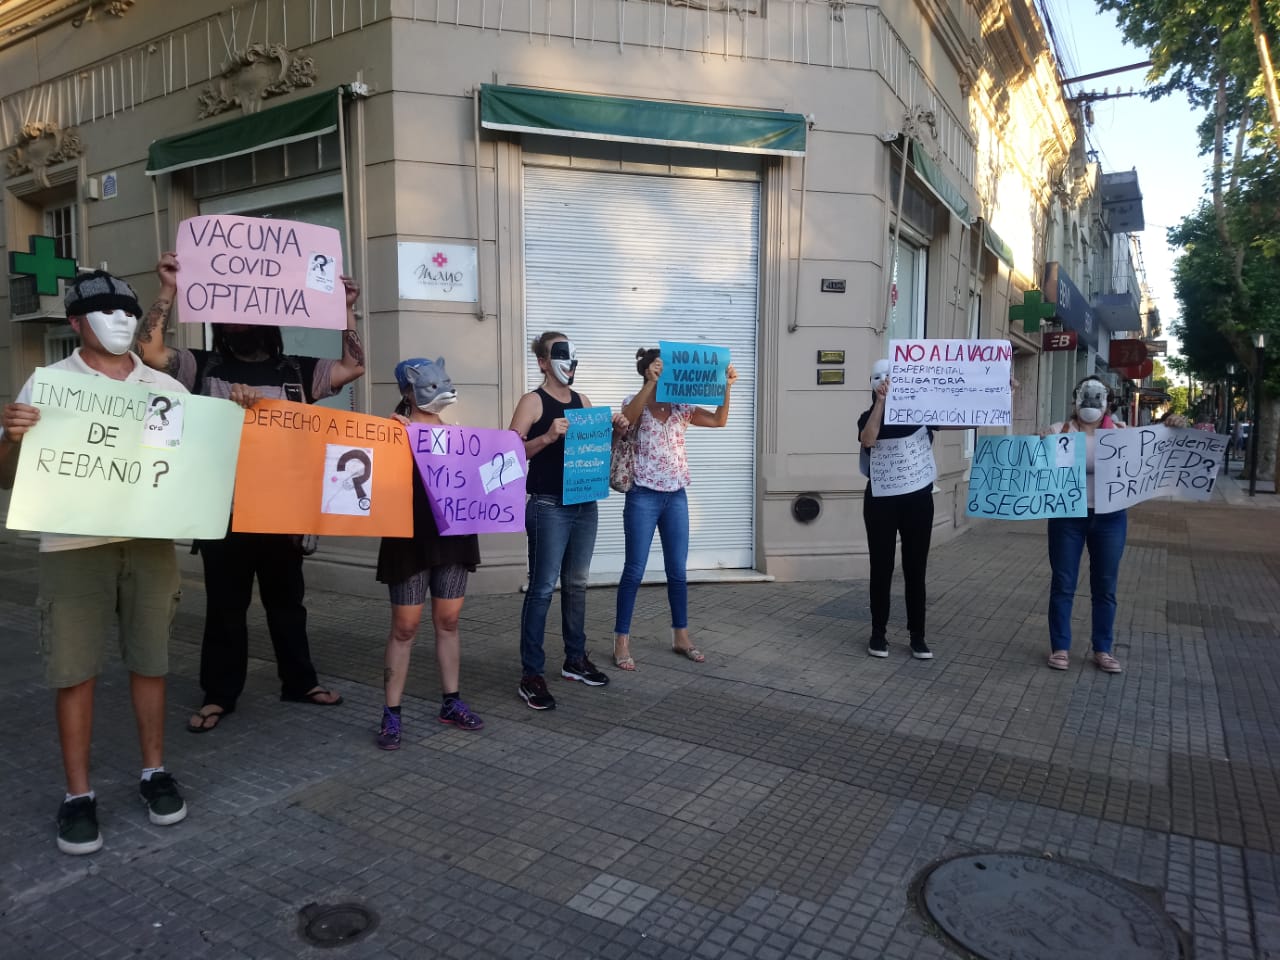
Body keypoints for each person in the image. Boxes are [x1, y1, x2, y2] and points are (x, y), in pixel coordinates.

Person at [0, 271, 195, 854]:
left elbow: (188, 468)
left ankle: (154, 771)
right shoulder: (47, 384)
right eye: (105, 311)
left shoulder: (166, 388)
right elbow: (9, 480)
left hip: (148, 542)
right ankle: (78, 795)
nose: (120, 321)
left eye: (128, 311)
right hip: (71, 546)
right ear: (76, 323)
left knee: (150, 660)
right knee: (74, 669)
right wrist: (10, 438)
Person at [136, 252, 365, 732]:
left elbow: (354, 367)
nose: (237, 318)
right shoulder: (200, 367)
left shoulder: (298, 371)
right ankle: (219, 695)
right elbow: (149, 352)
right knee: (225, 608)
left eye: (248, 310)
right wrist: (168, 289)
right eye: (228, 310)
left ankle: (299, 682)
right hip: (226, 513)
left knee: (288, 605)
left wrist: (346, 308)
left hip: (284, 516)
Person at [1041, 376, 1186, 673]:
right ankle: (1060, 648)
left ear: (1107, 401)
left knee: (1105, 586)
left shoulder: (1124, 432)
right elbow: (1035, 464)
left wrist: (1171, 426)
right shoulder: (1058, 431)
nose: (1091, 402)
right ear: (1076, 399)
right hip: (1067, 516)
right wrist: (1039, 441)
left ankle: (1103, 649)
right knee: (1063, 583)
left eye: (1098, 396)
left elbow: (1156, 448)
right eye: (1086, 395)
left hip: (1110, 518)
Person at [374, 358, 483, 749]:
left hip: (453, 537)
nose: (442, 387)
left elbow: (481, 480)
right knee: (404, 627)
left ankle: (451, 702)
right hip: (409, 538)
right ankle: (391, 712)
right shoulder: (391, 432)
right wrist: (393, 441)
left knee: (449, 621)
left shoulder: (458, 436)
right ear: (409, 390)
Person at [610, 349, 738, 670]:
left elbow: (719, 420)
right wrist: (649, 384)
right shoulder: (633, 401)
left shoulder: (681, 407)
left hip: (676, 495)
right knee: (634, 570)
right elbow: (630, 420)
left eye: (665, 369)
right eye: (657, 368)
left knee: (677, 572)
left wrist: (727, 386)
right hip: (642, 495)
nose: (663, 372)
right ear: (647, 370)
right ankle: (621, 641)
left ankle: (681, 636)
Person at [509, 332, 609, 710]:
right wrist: (548, 437)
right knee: (541, 588)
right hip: (548, 505)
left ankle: (575, 659)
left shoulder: (583, 401)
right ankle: (531, 673)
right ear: (543, 362)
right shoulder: (532, 402)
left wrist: (612, 429)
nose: (570, 361)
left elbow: (593, 449)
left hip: (584, 503)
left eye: (573, 354)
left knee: (578, 584)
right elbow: (510, 452)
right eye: (560, 354)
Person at [857, 360, 937, 661]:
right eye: (878, 378)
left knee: (916, 569)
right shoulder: (867, 416)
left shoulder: (922, 414)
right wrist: (881, 403)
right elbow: (868, 438)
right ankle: (878, 633)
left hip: (917, 500)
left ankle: (918, 635)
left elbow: (962, 416)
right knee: (881, 567)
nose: (885, 381)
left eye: (890, 377)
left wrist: (997, 395)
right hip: (881, 500)